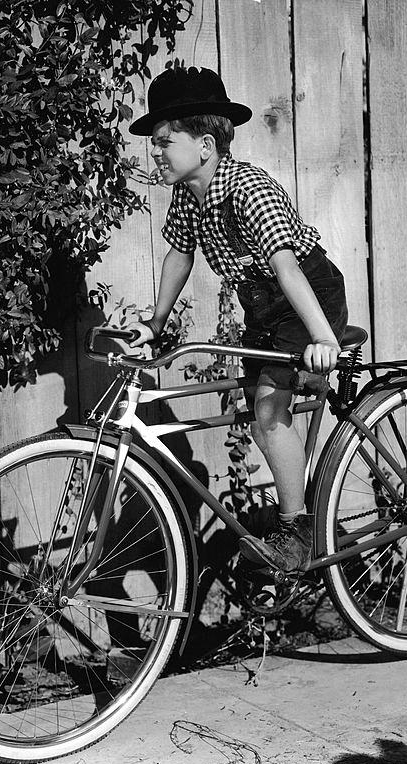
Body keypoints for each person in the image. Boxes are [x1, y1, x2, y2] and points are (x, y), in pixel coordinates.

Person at [125, 64, 348, 573]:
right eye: (154, 142)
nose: (155, 152)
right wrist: (156, 324)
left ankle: (300, 530)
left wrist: (321, 336)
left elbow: (287, 267)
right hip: (262, 303)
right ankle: (310, 515)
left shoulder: (249, 188)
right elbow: (178, 257)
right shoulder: (187, 196)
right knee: (259, 409)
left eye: (164, 141)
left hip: (307, 294)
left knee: (270, 414)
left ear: (205, 145)